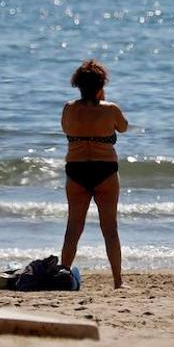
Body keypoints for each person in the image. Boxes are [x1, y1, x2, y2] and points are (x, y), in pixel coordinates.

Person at [59, 58, 129, 288]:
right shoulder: (111, 109)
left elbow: (65, 128)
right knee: (110, 228)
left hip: (77, 169)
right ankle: (118, 281)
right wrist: (103, 102)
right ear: (101, 85)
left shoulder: (69, 108)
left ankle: (64, 274)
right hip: (105, 169)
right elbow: (124, 127)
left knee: (73, 227)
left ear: (78, 85)